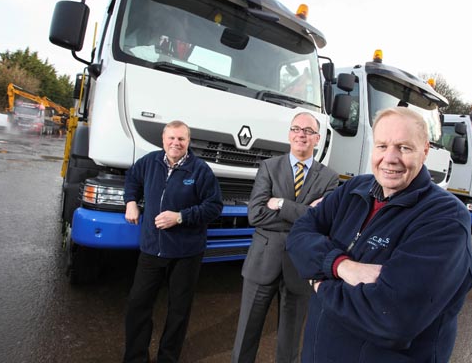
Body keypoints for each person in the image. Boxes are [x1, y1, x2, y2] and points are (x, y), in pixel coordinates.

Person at [286, 107, 472, 363]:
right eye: (382, 146)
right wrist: (341, 266)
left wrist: (317, 281)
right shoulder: (355, 189)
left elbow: (391, 318)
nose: (390, 158)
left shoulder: (446, 218)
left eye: (404, 148)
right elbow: (299, 234)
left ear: (425, 150)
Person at [231, 112, 339, 363]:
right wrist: (306, 214)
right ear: (290, 134)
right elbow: (255, 215)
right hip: (262, 262)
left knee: (290, 343)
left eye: (308, 131)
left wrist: (280, 203)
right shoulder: (269, 166)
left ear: (317, 139)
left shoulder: (329, 177)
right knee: (246, 334)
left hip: (300, 266)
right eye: (296, 129)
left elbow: (324, 222)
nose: (301, 134)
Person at [123, 120, 223, 363]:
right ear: (163, 139)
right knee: (138, 306)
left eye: (181, 139)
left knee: (178, 311)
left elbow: (214, 207)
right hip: (151, 249)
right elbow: (132, 179)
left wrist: (180, 217)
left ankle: (167, 358)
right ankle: (135, 358)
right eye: (171, 138)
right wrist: (130, 202)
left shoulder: (200, 170)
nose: (176, 143)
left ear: (188, 142)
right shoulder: (149, 162)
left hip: (186, 253)